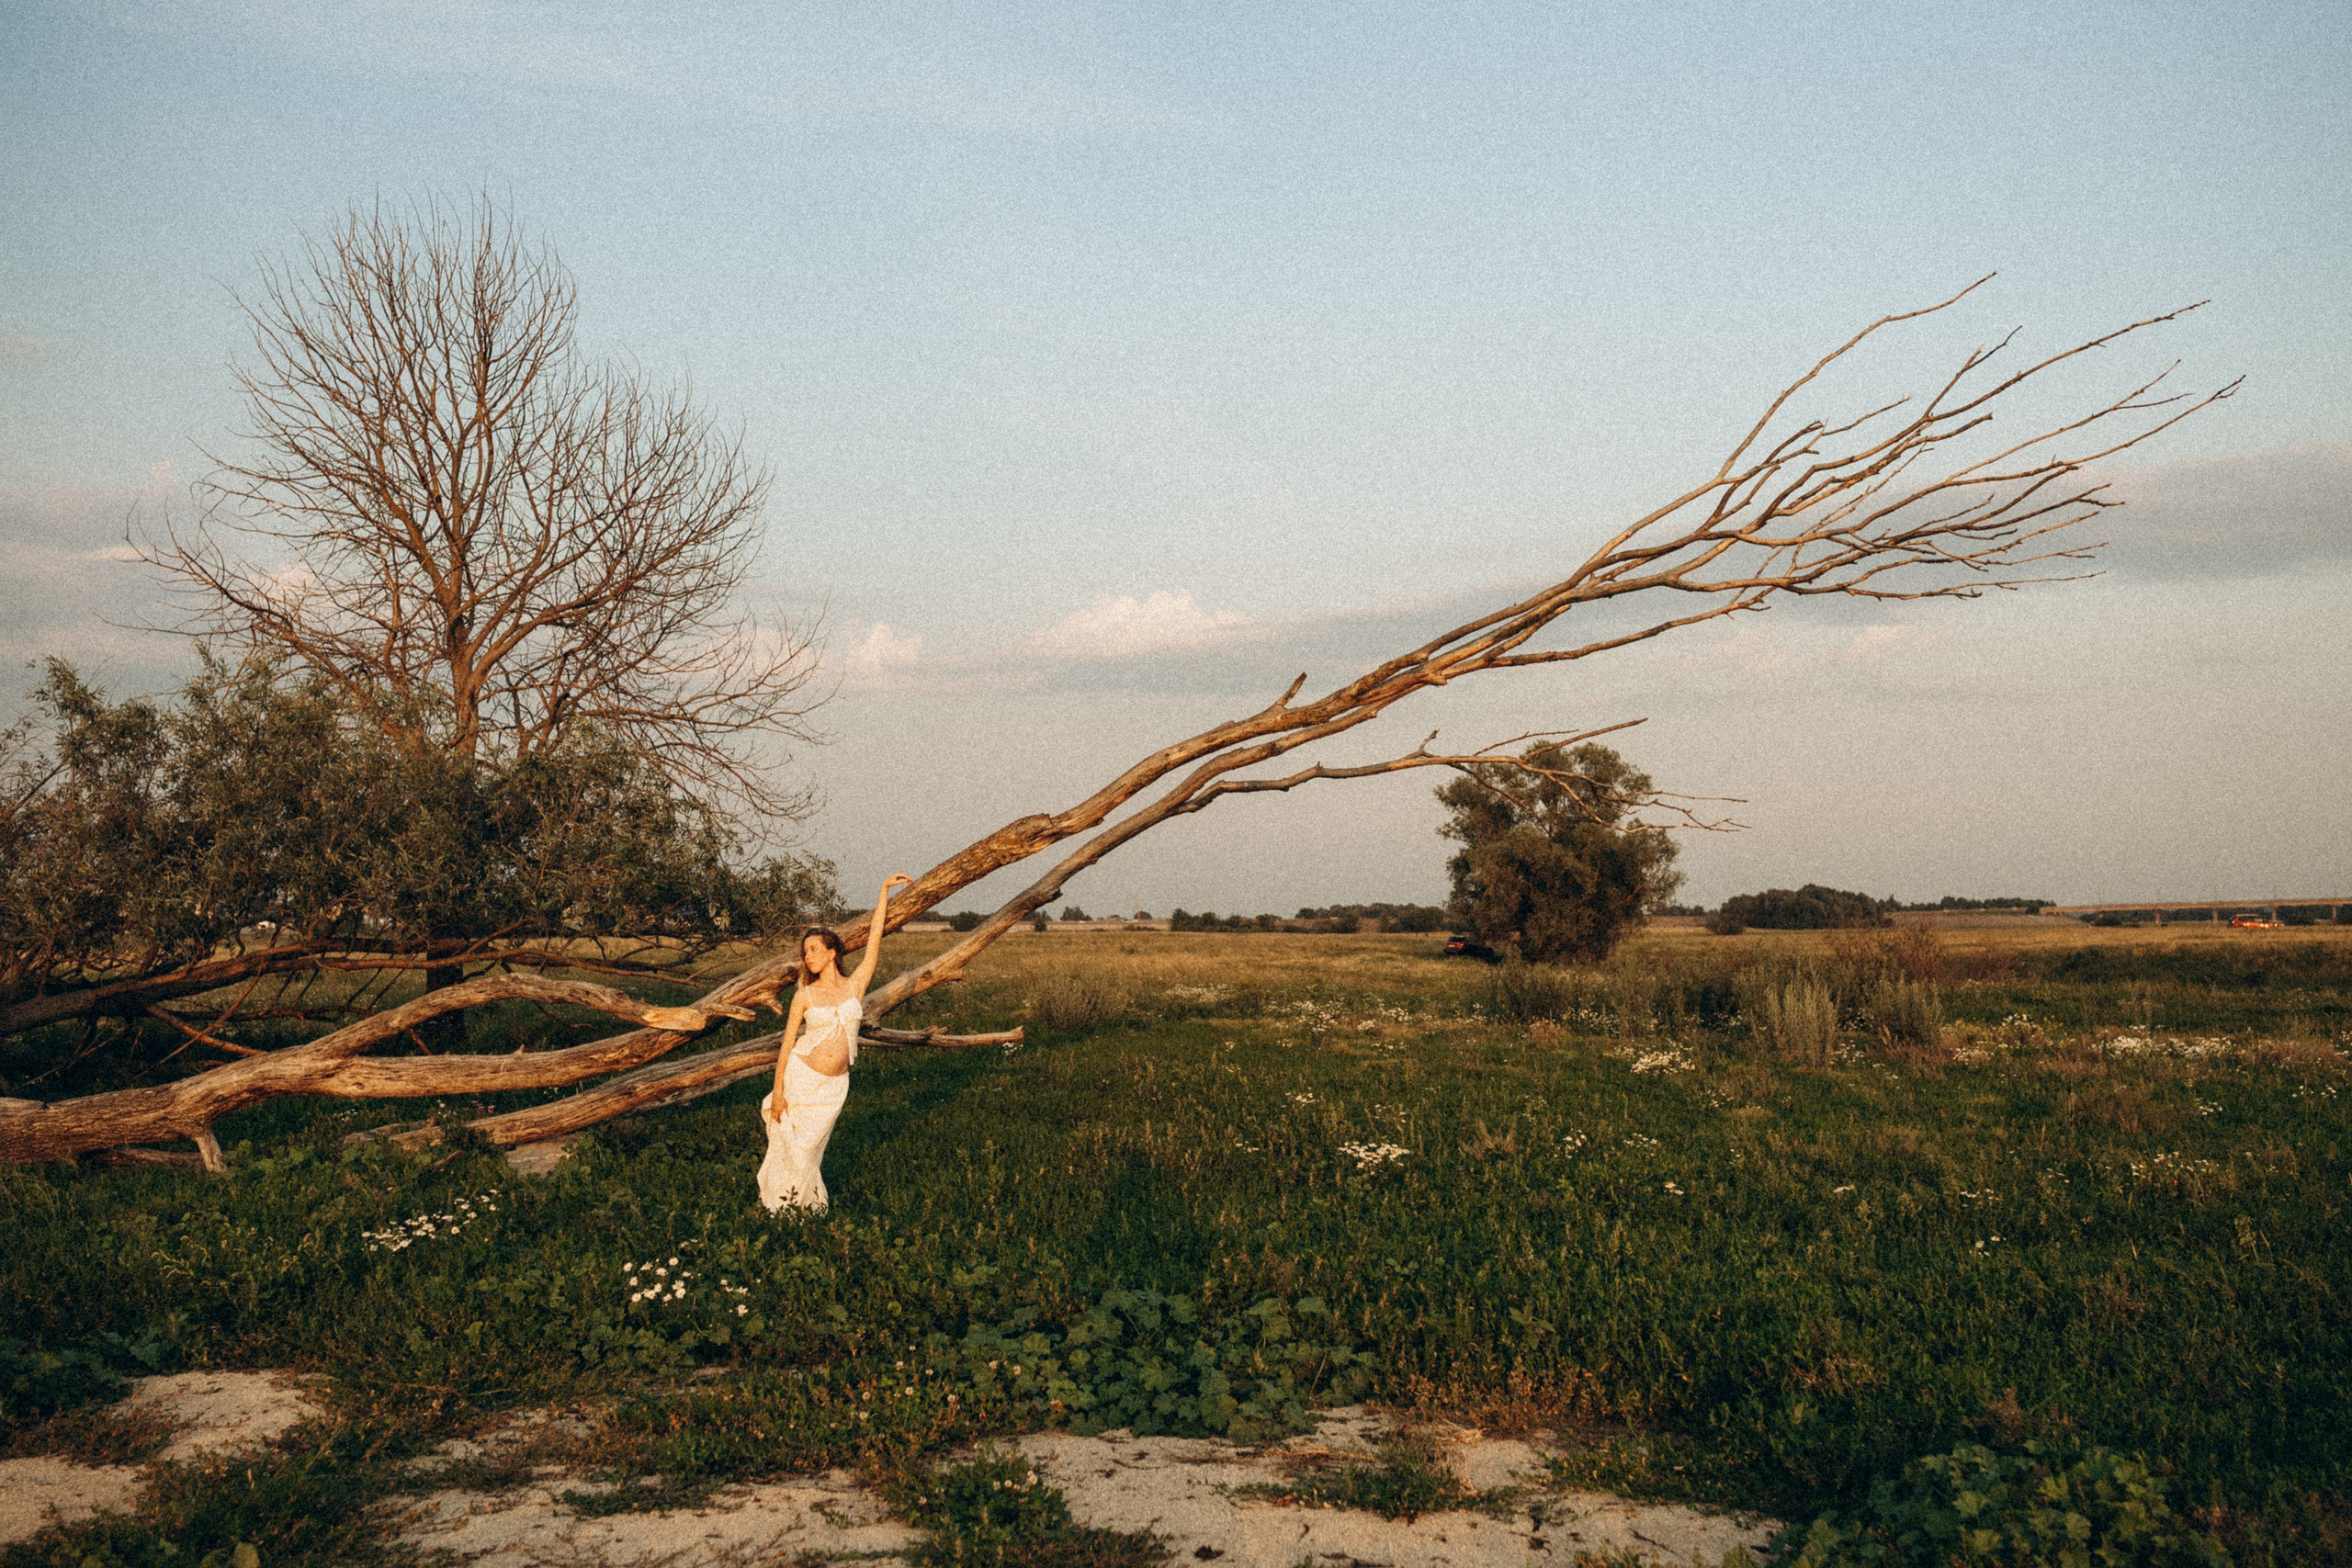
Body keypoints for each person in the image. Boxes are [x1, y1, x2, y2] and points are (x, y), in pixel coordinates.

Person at [756, 873, 912, 1214]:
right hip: (801, 1078)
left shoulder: (855, 986)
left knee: (812, 1149)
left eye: (814, 949)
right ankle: (784, 1208)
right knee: (794, 1147)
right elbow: (785, 1046)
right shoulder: (804, 995)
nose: (807, 956)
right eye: (805, 952)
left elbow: (875, 942)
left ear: (832, 953)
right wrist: (779, 1091)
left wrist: (883, 890)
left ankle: (797, 1205)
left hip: (834, 1087)